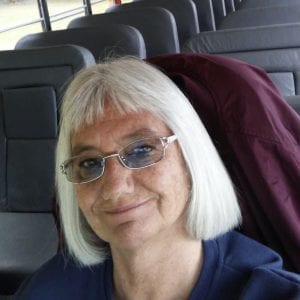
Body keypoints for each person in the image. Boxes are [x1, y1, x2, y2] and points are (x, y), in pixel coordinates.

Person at [16, 55, 300, 299]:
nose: (115, 188)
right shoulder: (48, 290)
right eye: (90, 163)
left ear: (191, 158)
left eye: (141, 150)